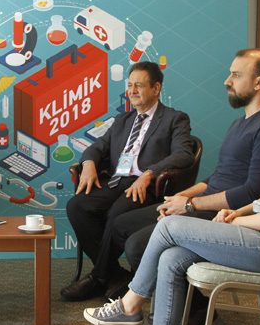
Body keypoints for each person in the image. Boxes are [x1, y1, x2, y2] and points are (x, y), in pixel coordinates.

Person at [83, 54, 260, 325]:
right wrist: (238, 211)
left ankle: (130, 304)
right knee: (172, 256)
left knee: (169, 226)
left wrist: (235, 220)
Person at [104, 49, 260, 325]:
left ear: (259, 83)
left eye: (236, 75)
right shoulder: (239, 123)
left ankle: (195, 311)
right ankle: (180, 301)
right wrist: (183, 197)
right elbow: (217, 177)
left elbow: (253, 190)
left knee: (137, 245)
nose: (227, 81)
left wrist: (191, 206)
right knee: (122, 225)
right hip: (203, 202)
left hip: (225, 212)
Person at [61, 61, 195, 301]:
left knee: (117, 215)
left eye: (139, 85)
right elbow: (97, 147)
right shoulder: (122, 120)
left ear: (156, 88)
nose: (132, 91)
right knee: (77, 205)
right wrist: (89, 164)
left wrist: (149, 173)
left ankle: (98, 278)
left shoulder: (175, 119)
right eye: (130, 85)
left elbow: (184, 154)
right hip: (116, 182)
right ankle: (114, 275)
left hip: (146, 187)